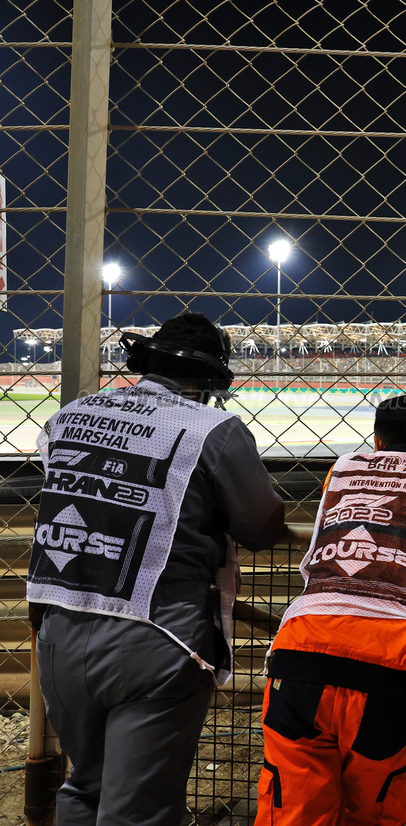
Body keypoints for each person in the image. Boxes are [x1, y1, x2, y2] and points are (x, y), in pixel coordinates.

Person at [28, 312, 295, 826]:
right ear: (207, 379)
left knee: (84, 788)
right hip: (157, 632)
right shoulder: (211, 428)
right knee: (139, 810)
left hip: (59, 626)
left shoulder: (70, 415)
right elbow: (261, 525)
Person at [254, 394, 406, 825]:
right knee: (374, 809)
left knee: (291, 806)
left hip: (302, 649)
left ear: (376, 438)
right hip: (388, 663)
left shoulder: (344, 468)